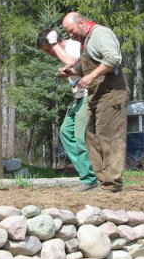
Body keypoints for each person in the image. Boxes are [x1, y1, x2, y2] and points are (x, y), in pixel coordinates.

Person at [60, 12, 129, 192]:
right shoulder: (87, 40)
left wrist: (90, 76)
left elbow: (113, 59)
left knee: (110, 139)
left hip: (112, 93)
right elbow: (89, 68)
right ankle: (100, 182)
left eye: (71, 30)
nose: (70, 35)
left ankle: (112, 184)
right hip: (96, 95)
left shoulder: (100, 34)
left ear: (81, 22)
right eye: (67, 32)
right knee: (91, 138)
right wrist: (73, 72)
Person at [37, 28, 98, 192]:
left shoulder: (72, 45)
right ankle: (89, 171)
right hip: (78, 97)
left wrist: (54, 44)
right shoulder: (64, 50)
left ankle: (90, 178)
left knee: (80, 136)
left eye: (48, 50)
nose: (49, 54)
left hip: (88, 95)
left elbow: (73, 61)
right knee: (65, 132)